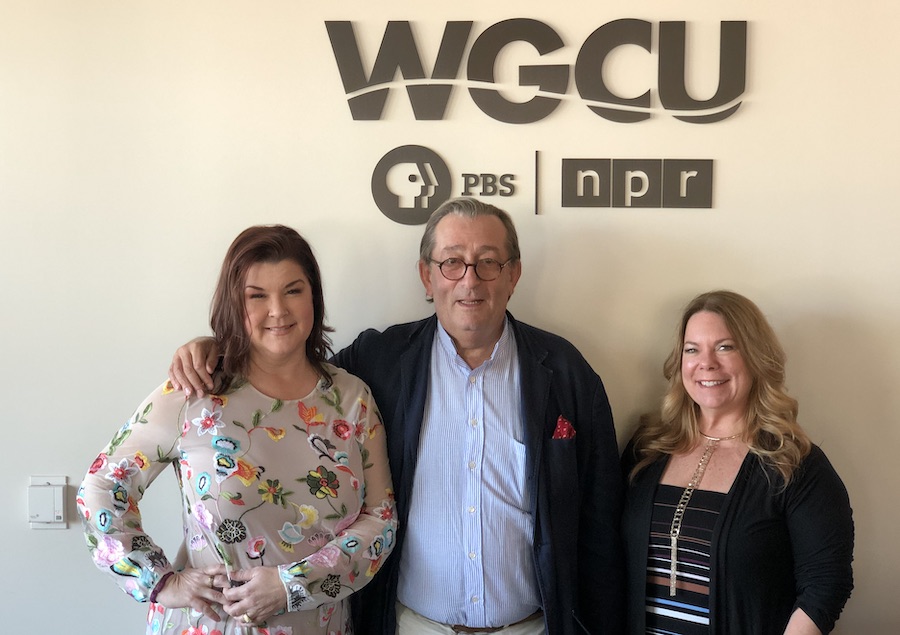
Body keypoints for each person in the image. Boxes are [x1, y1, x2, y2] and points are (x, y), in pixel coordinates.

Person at [169, 197, 625, 635]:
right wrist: (219, 351)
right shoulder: (378, 362)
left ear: (514, 275)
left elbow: (600, 521)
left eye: (488, 262)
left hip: (530, 627)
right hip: (409, 625)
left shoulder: (566, 373)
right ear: (426, 277)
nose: (470, 280)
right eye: (451, 262)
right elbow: (292, 374)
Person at [78, 225, 397, 635]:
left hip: (319, 624)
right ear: (235, 303)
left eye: (293, 290)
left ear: (314, 297)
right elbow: (102, 487)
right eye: (257, 295)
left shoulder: (352, 398)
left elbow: (381, 519)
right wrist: (156, 580)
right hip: (214, 625)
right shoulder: (194, 394)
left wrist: (292, 585)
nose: (278, 310)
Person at [620, 290, 853, 635]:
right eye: (692, 349)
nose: (707, 363)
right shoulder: (647, 449)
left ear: (756, 358)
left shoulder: (795, 464)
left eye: (726, 347)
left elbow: (825, 584)